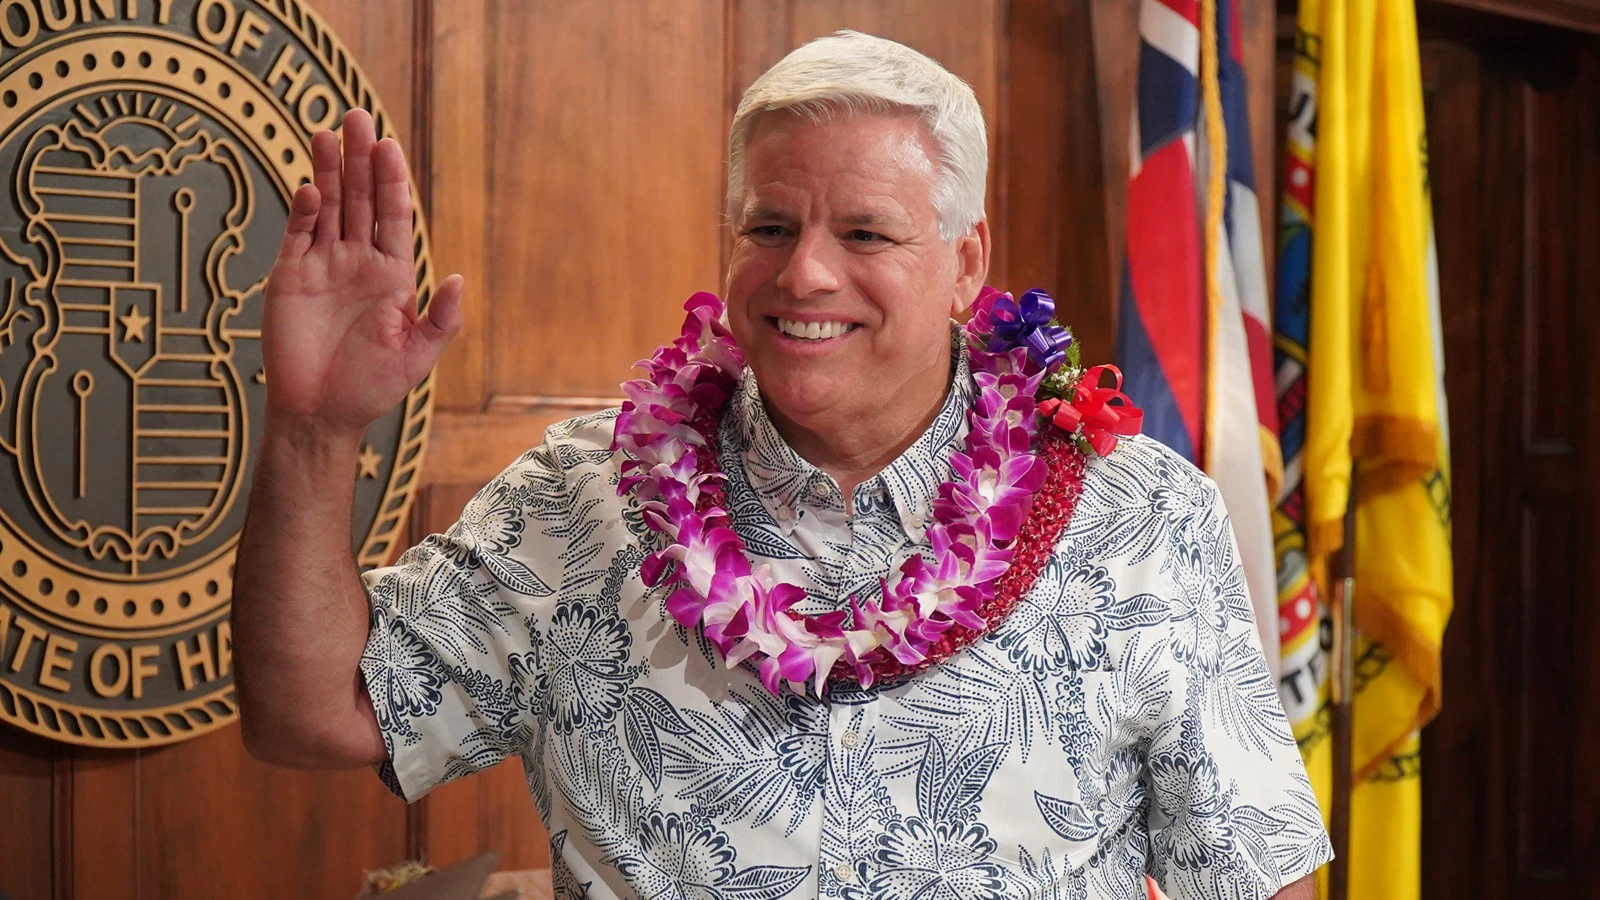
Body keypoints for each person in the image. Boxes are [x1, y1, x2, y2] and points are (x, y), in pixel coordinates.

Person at [235, 30, 1330, 900]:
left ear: (966, 262)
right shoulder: (581, 499)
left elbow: (1252, 873)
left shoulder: (1141, 515)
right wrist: (313, 430)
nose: (804, 274)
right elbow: (312, 713)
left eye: (864, 235)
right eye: (768, 228)